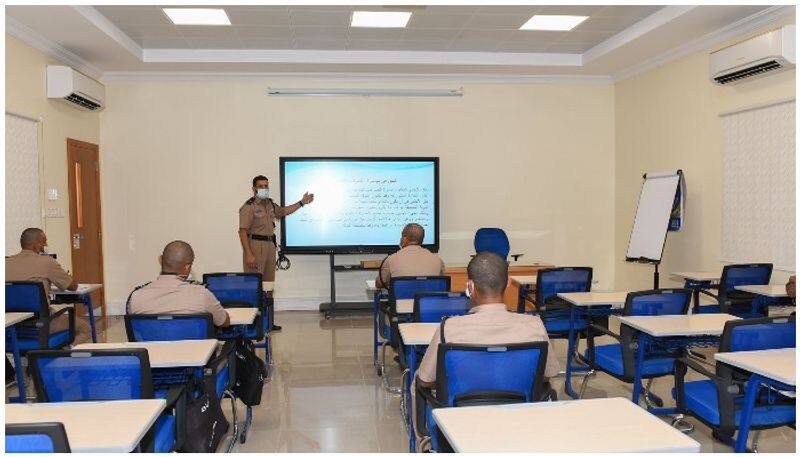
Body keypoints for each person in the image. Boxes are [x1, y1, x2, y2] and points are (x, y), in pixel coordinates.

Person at [412, 252, 560, 441]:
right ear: (507, 283)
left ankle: (422, 441)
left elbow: (426, 381)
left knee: (417, 377)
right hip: (520, 424)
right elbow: (549, 373)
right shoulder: (533, 325)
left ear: (470, 286)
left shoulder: (449, 328)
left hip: (460, 428)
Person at [239, 175, 314, 331]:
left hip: (269, 246)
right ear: (254, 189)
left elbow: (284, 211)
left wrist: (301, 202)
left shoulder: (270, 205)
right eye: (260, 186)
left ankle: (269, 322)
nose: (264, 189)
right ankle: (254, 324)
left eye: (266, 186)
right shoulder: (249, 206)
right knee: (255, 287)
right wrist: (249, 254)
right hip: (255, 247)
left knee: (269, 286)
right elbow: (242, 232)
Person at [128, 240, 230, 327]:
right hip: (194, 350)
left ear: (160, 260)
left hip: (152, 351)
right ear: (187, 267)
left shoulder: (136, 297)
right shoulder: (202, 295)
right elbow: (224, 322)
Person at [6, 228, 77, 334]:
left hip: (11, 325)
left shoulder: (6, 262)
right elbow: (72, 286)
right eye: (44, 242)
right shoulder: (47, 261)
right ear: (36, 245)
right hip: (42, 323)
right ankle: (62, 350)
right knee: (84, 328)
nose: (46, 245)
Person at [375, 223, 445, 289]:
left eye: (401, 236)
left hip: (400, 301)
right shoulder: (438, 260)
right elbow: (442, 284)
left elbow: (379, 284)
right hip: (427, 301)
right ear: (422, 240)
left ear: (404, 239)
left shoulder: (391, 259)